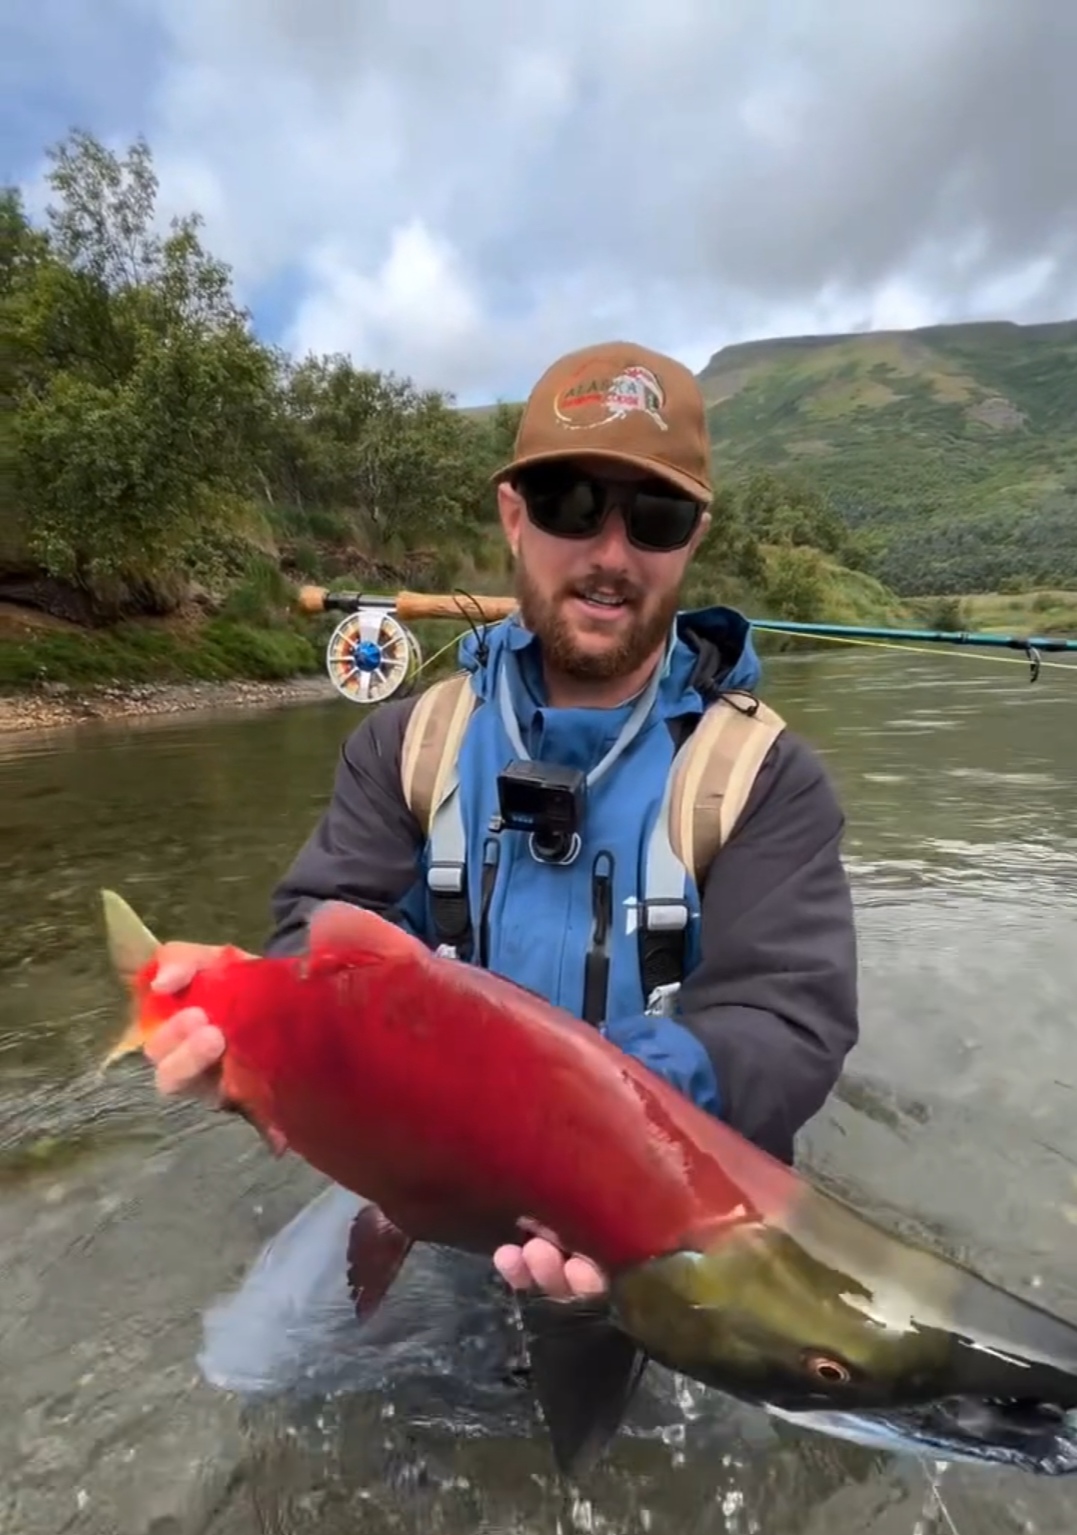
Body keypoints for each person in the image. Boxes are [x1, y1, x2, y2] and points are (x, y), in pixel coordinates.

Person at [146, 338, 859, 1329]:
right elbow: (320, 931)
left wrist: (594, 1127)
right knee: (248, 1363)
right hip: (434, 1187)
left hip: (656, 1203)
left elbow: (788, 1026)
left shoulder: (766, 781)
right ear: (515, 517)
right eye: (571, 504)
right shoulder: (406, 743)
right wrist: (262, 1049)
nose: (611, 554)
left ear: (691, 540)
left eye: (654, 517)